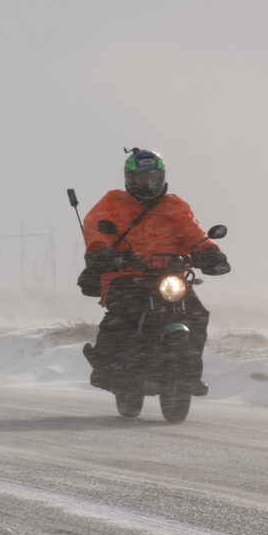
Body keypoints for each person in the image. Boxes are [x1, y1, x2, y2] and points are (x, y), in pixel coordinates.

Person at [81, 148, 229, 395]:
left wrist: (210, 253)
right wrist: (105, 253)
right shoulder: (112, 203)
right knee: (122, 318)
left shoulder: (175, 206)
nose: (148, 184)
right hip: (126, 276)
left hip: (168, 277)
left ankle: (191, 376)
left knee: (197, 314)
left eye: (152, 177)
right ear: (129, 178)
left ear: (161, 177)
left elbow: (194, 234)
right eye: (141, 178)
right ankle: (107, 369)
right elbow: (96, 232)